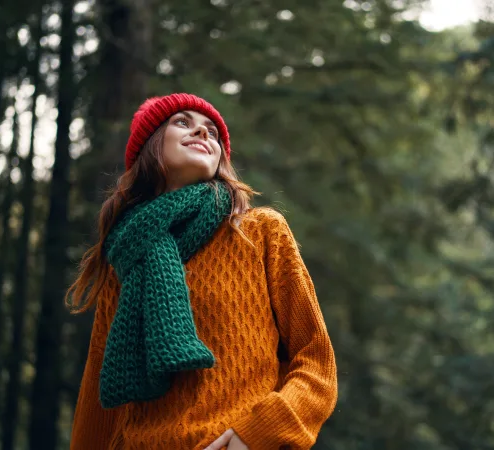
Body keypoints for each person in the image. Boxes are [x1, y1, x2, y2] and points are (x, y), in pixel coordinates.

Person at [67, 93, 338, 450]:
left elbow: (316, 361)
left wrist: (258, 432)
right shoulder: (125, 257)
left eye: (211, 131)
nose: (202, 133)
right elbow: (98, 403)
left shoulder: (259, 232)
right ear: (151, 146)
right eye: (183, 122)